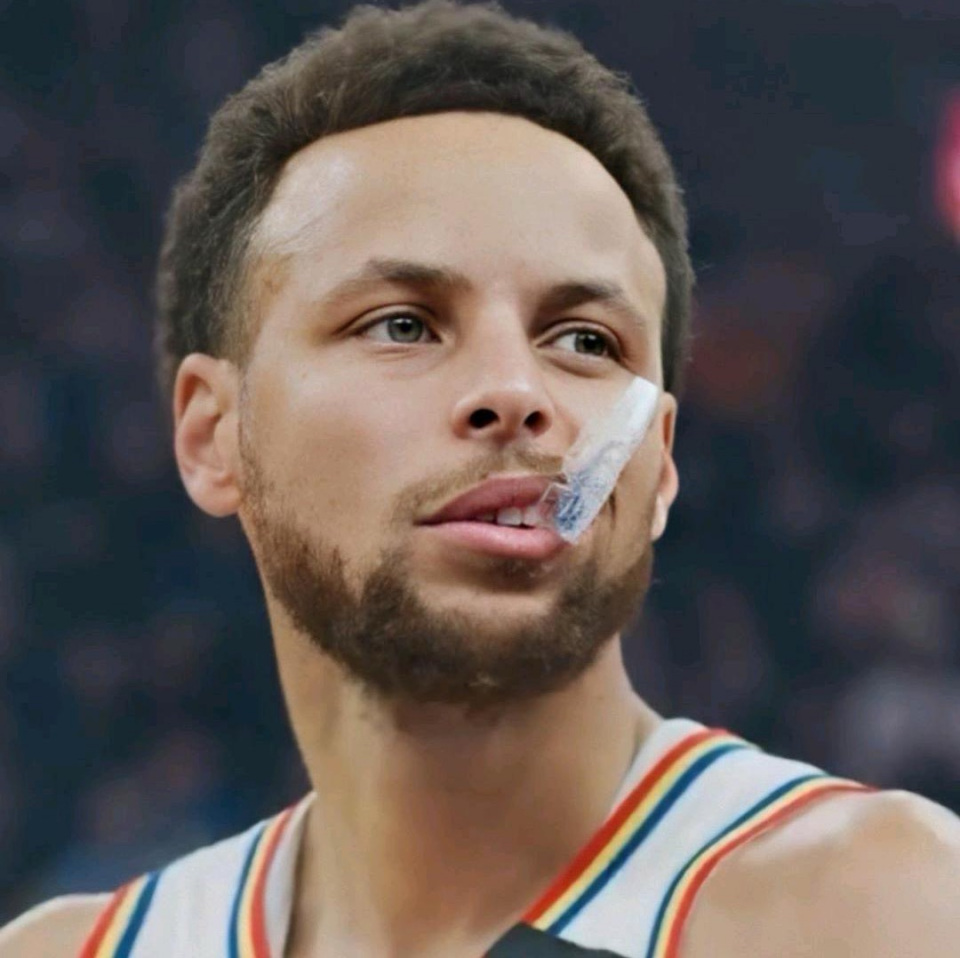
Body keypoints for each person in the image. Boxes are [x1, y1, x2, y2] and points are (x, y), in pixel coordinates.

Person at [4, 1, 960, 955]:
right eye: (402, 324)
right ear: (214, 436)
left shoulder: (883, 907)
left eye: (585, 341)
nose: (515, 390)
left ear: (661, 463)